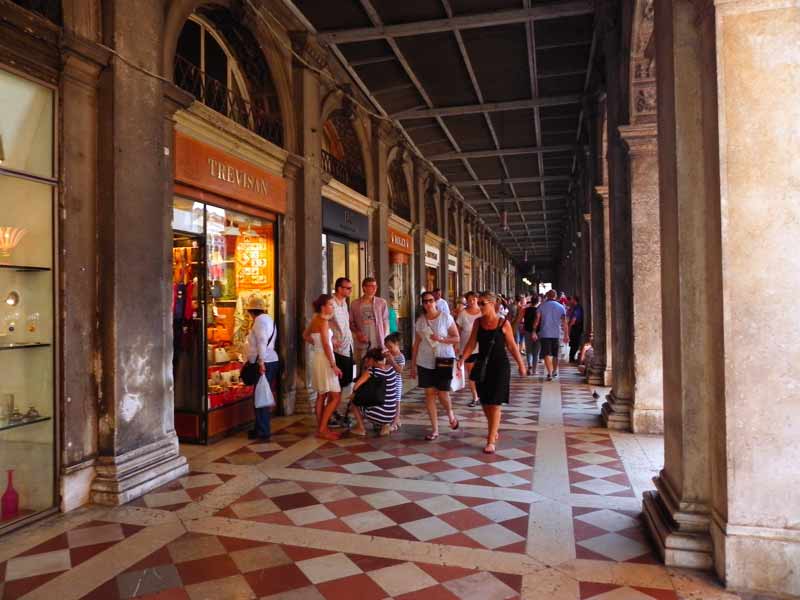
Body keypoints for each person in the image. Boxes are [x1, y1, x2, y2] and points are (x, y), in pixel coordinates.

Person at [458, 291, 526, 454]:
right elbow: (471, 342)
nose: (479, 306)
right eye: (478, 303)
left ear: (493, 304)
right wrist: (462, 358)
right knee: (485, 402)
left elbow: (511, 346)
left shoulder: (503, 324)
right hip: (482, 365)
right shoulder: (478, 323)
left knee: (495, 403)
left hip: (499, 366)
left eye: (482, 303)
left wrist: (521, 364)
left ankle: (490, 439)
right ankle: (493, 429)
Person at [410, 291, 460, 440]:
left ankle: (450, 413)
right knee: (429, 394)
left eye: (430, 300)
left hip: (443, 359)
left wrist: (441, 339)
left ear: (435, 302)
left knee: (443, 392)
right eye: (425, 301)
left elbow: (456, 338)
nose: (428, 303)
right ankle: (435, 429)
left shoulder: (445, 318)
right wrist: (412, 366)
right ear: (423, 304)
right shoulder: (420, 321)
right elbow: (416, 344)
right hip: (425, 361)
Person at [303, 294, 344, 440]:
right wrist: (334, 365)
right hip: (326, 360)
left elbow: (305, 336)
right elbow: (326, 344)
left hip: (318, 358)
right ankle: (322, 429)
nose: (332, 307)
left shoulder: (315, 320)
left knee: (321, 395)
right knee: (336, 396)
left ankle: (321, 427)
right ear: (323, 307)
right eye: (331, 305)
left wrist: (318, 345)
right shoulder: (324, 322)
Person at [244, 295, 279, 440]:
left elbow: (262, 341)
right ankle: (260, 428)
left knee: (261, 396)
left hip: (265, 362)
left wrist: (261, 362)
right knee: (262, 394)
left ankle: (263, 431)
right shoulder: (268, 319)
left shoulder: (259, 321)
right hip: (271, 360)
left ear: (252, 311)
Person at [349, 348, 400, 437]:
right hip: (391, 414)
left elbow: (356, 387)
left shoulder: (372, 371)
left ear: (372, 359)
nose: (366, 363)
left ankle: (361, 428)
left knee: (354, 401)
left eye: (367, 360)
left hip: (378, 413)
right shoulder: (391, 369)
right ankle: (385, 425)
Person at [329, 277, 354, 427]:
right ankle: (332, 412)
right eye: (347, 288)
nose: (350, 291)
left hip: (347, 346)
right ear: (339, 288)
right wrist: (331, 340)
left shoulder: (344, 303)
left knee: (346, 381)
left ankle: (338, 410)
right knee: (337, 382)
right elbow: (323, 323)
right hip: (337, 349)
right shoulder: (330, 304)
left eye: (350, 288)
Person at [350, 277, 390, 369]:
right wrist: (358, 334)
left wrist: (385, 340)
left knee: (379, 366)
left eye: (375, 286)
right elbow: (351, 322)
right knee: (363, 365)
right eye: (371, 286)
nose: (374, 288)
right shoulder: (355, 304)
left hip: (378, 340)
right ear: (364, 287)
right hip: (362, 341)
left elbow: (385, 321)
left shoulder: (381, 302)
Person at [534, 289, 569, 381]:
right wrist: (566, 335)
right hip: (556, 333)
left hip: (544, 333)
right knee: (555, 354)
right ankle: (554, 371)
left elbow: (537, 320)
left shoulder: (541, 306)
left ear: (547, 296)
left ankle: (549, 373)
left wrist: (534, 331)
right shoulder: (561, 307)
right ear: (556, 296)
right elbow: (565, 322)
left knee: (546, 353)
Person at [456, 291, 482, 407]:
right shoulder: (463, 314)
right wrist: (456, 345)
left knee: (481, 371)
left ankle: (482, 394)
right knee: (471, 373)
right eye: (469, 299)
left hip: (481, 346)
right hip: (466, 347)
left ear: (477, 299)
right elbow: (458, 330)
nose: (472, 301)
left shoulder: (482, 312)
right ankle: (475, 396)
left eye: (474, 299)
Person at [383, 332, 406, 431]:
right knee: (390, 401)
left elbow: (400, 370)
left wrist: (392, 361)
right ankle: (394, 419)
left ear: (397, 344)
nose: (389, 349)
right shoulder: (390, 355)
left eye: (390, 347)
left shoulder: (400, 357)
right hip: (389, 382)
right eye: (387, 347)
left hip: (396, 382)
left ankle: (396, 419)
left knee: (397, 401)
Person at [522, 296, 541, 376]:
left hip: (527, 331)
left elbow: (523, 320)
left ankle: (529, 365)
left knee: (528, 351)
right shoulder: (539, 311)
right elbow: (538, 321)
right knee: (535, 353)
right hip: (537, 333)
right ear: (538, 302)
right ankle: (534, 370)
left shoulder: (525, 310)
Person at [568, 295, 584, 363]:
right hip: (575, 328)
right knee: (574, 344)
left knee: (575, 344)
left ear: (575, 300)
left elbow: (574, 320)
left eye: (571, 299)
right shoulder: (575, 308)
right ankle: (571, 358)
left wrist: (569, 328)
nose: (570, 301)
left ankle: (572, 358)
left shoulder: (577, 308)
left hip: (576, 328)